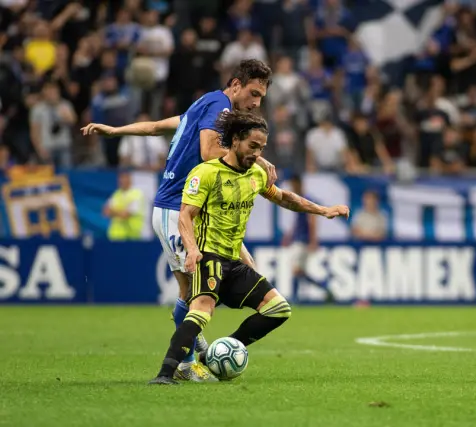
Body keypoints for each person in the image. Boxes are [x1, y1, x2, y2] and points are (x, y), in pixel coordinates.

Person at [81, 60, 277, 382]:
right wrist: (258, 159)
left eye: (261, 98)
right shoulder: (219, 105)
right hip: (177, 209)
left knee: (221, 277)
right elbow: (209, 151)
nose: (256, 103)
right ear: (235, 85)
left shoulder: (205, 104)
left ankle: (197, 350)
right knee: (193, 289)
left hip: (187, 208)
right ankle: (186, 364)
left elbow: (157, 126)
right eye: (253, 93)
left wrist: (116, 130)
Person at [149, 110, 349, 385]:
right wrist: (192, 249)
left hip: (234, 262)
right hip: (209, 257)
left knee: (278, 308)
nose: (257, 154)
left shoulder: (255, 174)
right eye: (252, 146)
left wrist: (323, 210)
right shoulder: (206, 172)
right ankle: (165, 373)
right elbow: (185, 215)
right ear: (235, 141)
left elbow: (284, 198)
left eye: (261, 148)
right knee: (202, 310)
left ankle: (217, 353)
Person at [281, 175, 335, 303]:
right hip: (298, 238)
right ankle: (324, 288)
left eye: (293, 185)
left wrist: (313, 240)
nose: (292, 188)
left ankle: (295, 298)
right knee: (299, 271)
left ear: (299, 184)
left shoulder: (307, 200)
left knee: (296, 270)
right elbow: (297, 222)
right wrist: (289, 236)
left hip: (303, 240)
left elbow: (312, 221)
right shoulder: (298, 200)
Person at [103, 170, 145, 240]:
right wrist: (119, 212)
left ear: (129, 179)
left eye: (124, 177)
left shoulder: (137, 195)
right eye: (120, 178)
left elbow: (125, 215)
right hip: (115, 237)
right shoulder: (116, 194)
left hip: (131, 237)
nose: (121, 180)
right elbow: (105, 211)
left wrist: (113, 212)